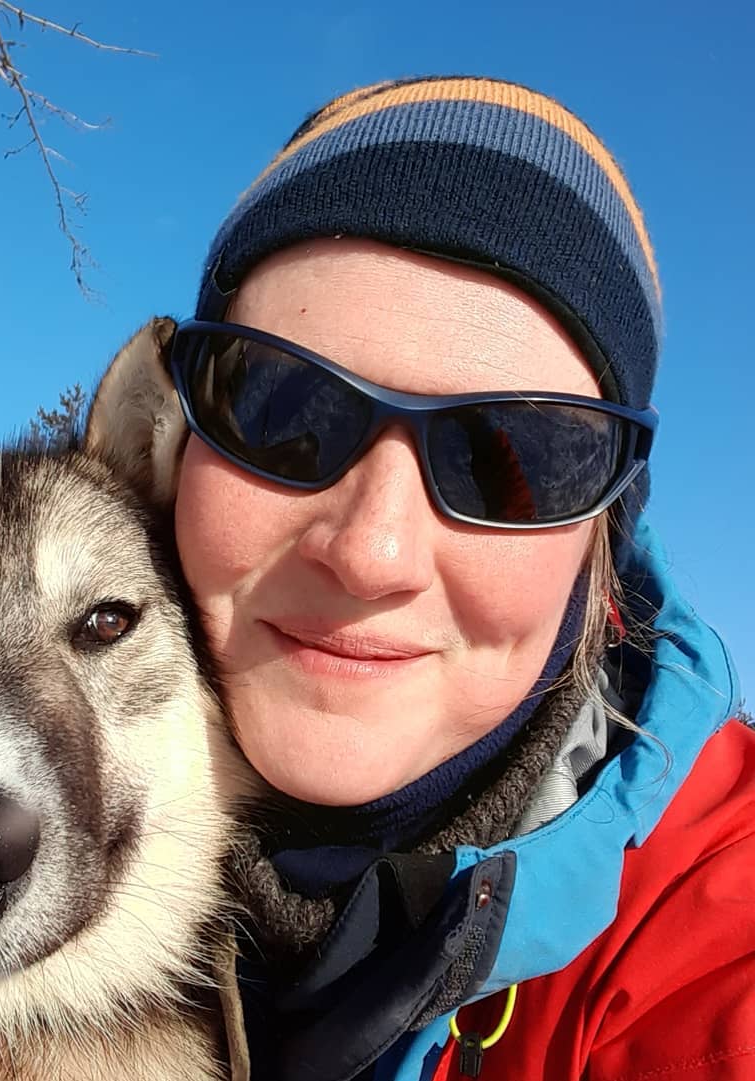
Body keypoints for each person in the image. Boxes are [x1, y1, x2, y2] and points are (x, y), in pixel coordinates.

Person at [164, 76, 752, 1079]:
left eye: (505, 457)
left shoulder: (702, 923)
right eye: (282, 410)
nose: (370, 551)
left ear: (600, 541)